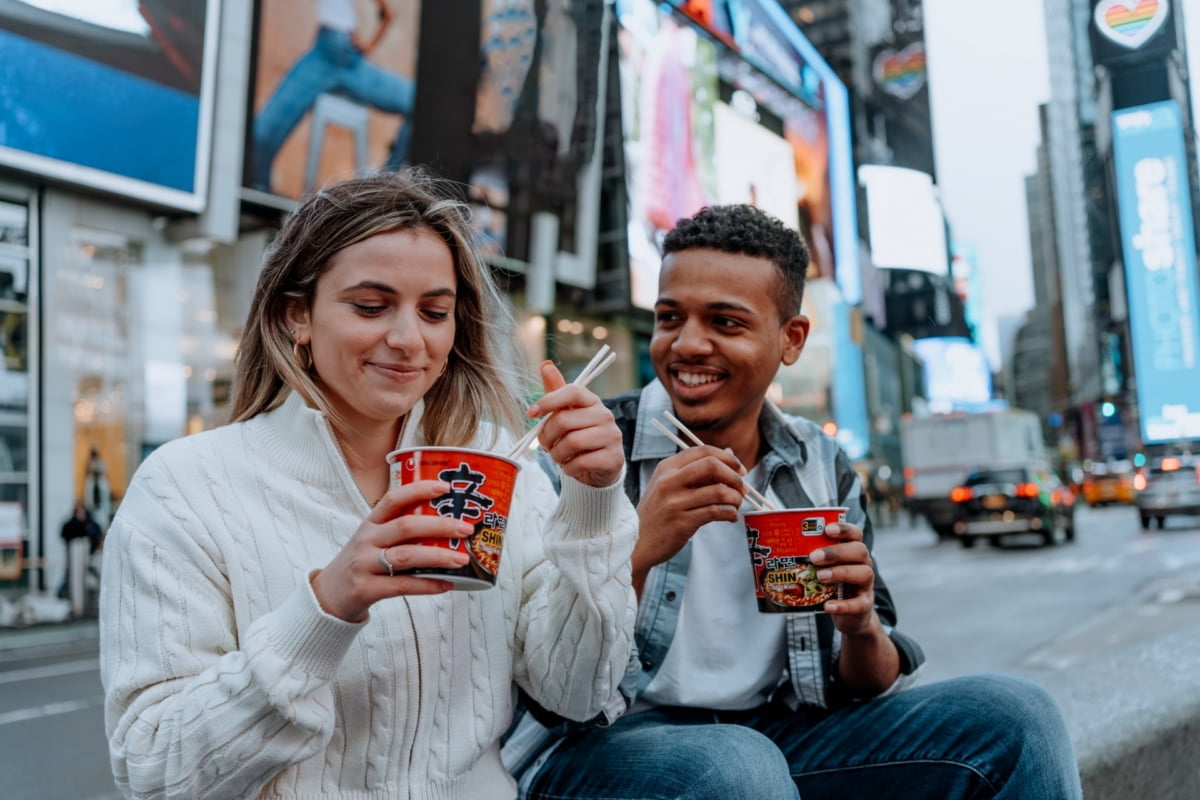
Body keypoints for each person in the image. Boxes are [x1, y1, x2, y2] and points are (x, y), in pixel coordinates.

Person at [504, 204, 1082, 799]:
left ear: (791, 339)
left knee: (1018, 718)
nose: (688, 344)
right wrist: (638, 544)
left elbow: (865, 684)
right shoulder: (589, 452)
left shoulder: (817, 463)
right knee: (735, 766)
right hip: (602, 744)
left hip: (778, 738)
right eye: (670, 317)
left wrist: (859, 627)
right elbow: (543, 679)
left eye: (725, 323)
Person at [99, 168, 638, 800]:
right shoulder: (185, 487)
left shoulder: (494, 459)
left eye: (435, 312)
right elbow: (154, 770)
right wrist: (325, 609)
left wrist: (595, 501)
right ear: (296, 314)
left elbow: (577, 692)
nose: (410, 340)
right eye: (371, 306)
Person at [250, 0, 414, 192]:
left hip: (348, 58)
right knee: (261, 133)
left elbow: (387, 14)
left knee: (415, 100)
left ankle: (387, 185)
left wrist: (368, 44)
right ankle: (259, 189)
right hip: (325, 50)